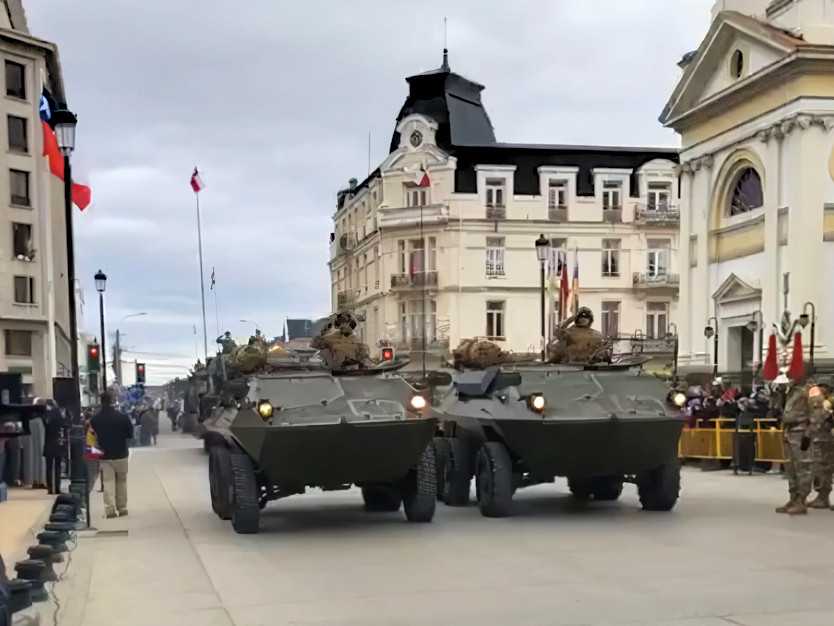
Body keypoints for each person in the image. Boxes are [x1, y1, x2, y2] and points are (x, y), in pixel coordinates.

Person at [90, 391, 133, 518]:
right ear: (113, 401)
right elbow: (130, 434)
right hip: (121, 453)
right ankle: (122, 507)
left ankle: (110, 510)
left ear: (101, 401)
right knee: (122, 481)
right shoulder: (123, 417)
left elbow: (93, 436)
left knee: (108, 482)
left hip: (105, 455)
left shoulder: (95, 419)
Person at [776, 371, 814, 515]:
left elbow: (814, 414)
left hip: (801, 431)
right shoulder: (792, 389)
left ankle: (801, 501)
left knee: (803, 467)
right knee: (791, 467)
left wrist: (808, 434)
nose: (790, 373)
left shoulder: (810, 390)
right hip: (790, 431)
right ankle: (793, 497)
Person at [807, 382, 834, 509]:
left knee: (824, 467)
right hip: (821, 439)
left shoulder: (827, 403)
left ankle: (823, 498)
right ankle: (822, 497)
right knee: (820, 468)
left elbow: (820, 418)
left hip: (826, 439)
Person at [41, 399, 70, 495]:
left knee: (49, 466)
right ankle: (57, 487)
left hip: (49, 442)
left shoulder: (46, 415)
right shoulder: (60, 415)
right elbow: (67, 425)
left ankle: (50, 488)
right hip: (59, 442)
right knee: (57, 466)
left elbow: (45, 424)